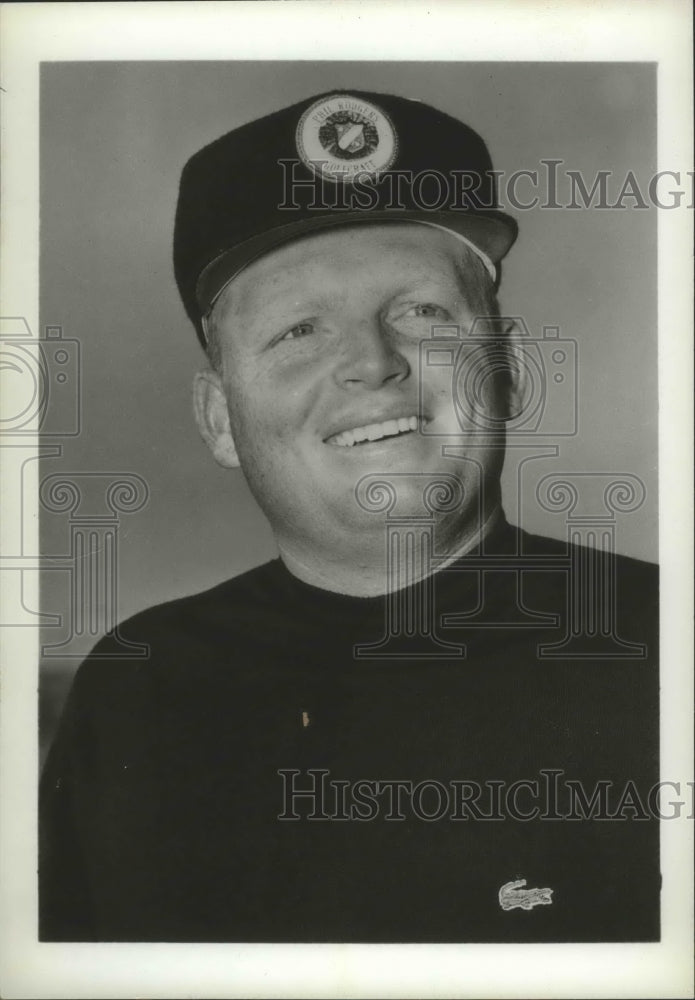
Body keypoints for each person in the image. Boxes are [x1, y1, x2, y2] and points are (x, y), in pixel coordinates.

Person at [39, 89, 659, 943]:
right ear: (220, 419)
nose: (371, 363)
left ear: (506, 369)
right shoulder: (138, 691)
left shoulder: (670, 650)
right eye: (299, 330)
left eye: (421, 311)